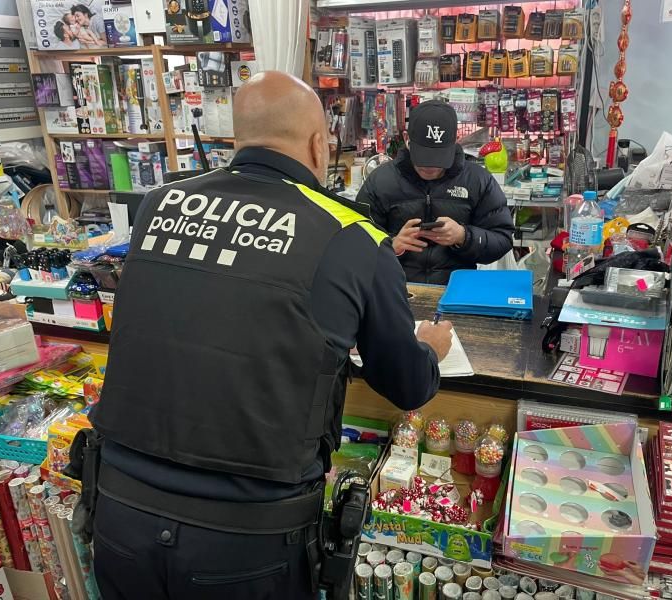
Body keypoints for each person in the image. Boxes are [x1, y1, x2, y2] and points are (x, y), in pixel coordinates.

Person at [88, 71, 454, 600]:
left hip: (120, 509)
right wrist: (430, 350)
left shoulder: (158, 203)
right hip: (247, 536)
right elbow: (406, 384)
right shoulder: (352, 236)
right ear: (318, 144)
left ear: (239, 137)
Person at [357, 100, 514, 285]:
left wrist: (463, 236)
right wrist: (391, 246)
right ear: (407, 139)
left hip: (457, 291)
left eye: (439, 157)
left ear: (455, 140)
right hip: (394, 289)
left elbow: (502, 239)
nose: (430, 167)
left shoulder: (477, 180)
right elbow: (355, 242)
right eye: (423, 156)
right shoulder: (380, 181)